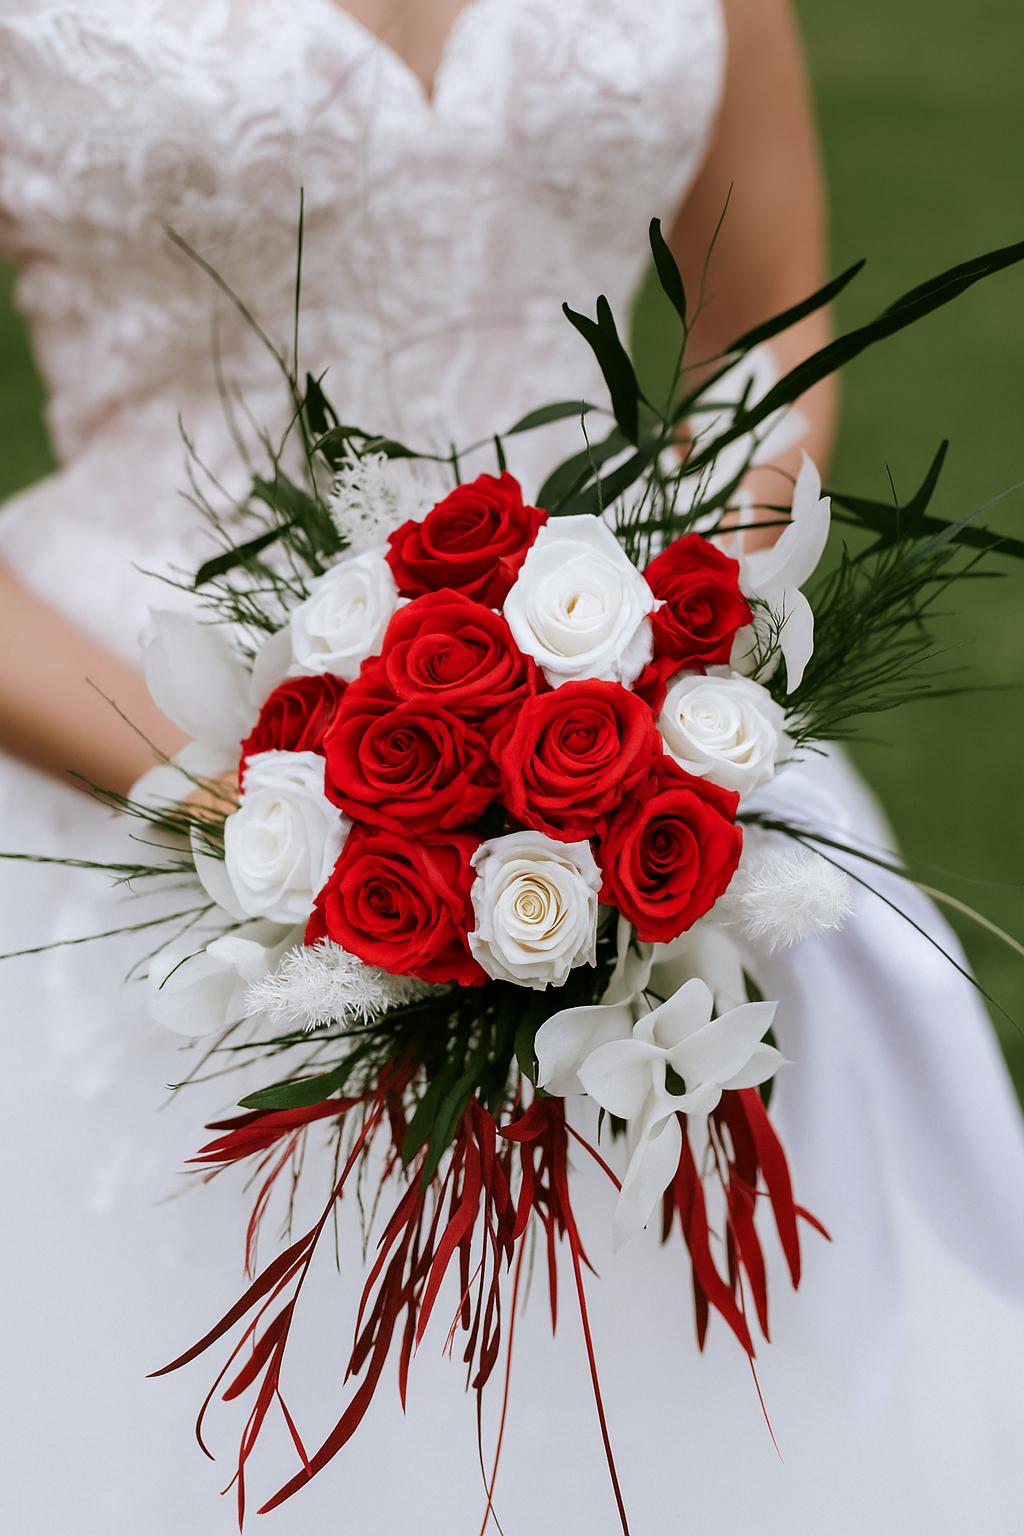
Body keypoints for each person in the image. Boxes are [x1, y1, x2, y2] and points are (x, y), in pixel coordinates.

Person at [0, 1, 1022, 1531]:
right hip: (142, 768)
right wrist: (264, 807)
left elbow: (761, 324)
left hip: (640, 786)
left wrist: (669, 671)